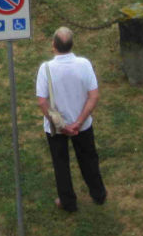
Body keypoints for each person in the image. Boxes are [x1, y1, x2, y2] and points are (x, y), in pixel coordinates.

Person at [36, 27, 106, 212]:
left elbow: (42, 102)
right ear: (72, 44)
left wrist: (62, 125)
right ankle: (98, 194)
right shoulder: (84, 64)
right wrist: (79, 122)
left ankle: (68, 202)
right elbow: (93, 96)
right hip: (82, 125)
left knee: (61, 164)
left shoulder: (46, 69)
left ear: (53, 45)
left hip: (56, 128)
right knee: (89, 160)